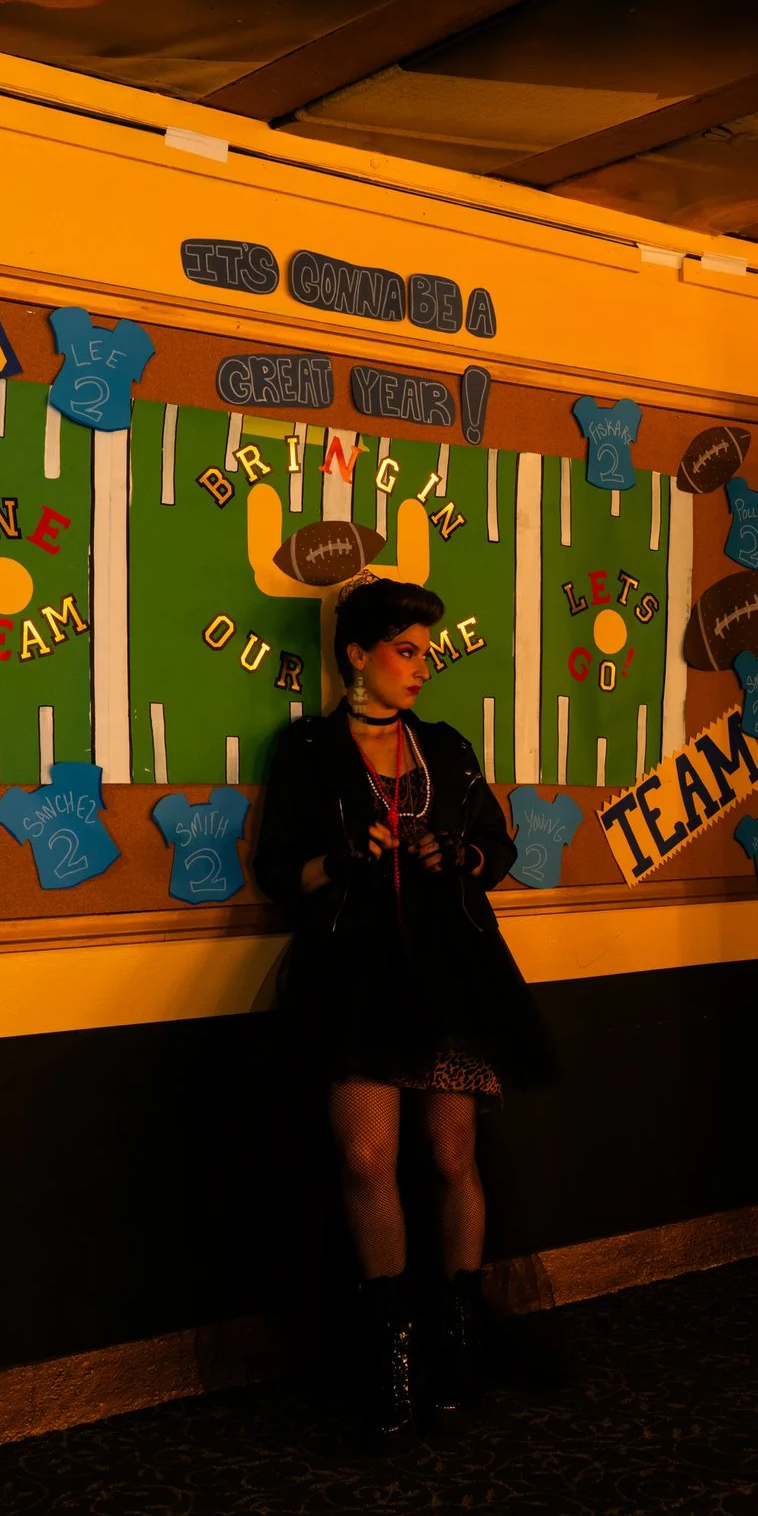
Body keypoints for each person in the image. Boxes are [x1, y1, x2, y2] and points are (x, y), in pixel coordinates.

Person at [253, 577, 554, 1442]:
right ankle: (394, 1350)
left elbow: (498, 846)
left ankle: (458, 1337)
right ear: (359, 653)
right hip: (351, 969)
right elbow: (281, 870)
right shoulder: (309, 748)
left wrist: (459, 852)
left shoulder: (448, 748)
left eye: (428, 649)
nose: (423, 666)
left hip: (451, 967)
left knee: (453, 1150)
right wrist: (340, 859)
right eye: (407, 649)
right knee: (363, 1153)